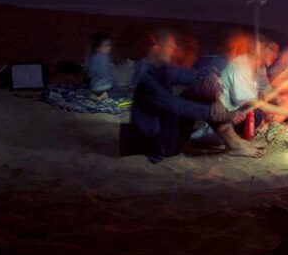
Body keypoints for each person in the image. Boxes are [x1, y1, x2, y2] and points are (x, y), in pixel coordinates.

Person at [131, 29, 257, 161]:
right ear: (156, 48)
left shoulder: (161, 69)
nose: (174, 50)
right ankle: (234, 143)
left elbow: (201, 74)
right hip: (158, 145)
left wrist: (217, 97)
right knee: (196, 95)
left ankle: (235, 142)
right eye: (169, 46)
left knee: (199, 89)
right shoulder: (144, 77)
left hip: (167, 132)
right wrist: (219, 114)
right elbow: (176, 105)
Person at [86, 32, 115, 100]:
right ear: (98, 48)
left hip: (94, 87)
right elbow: (105, 73)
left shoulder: (93, 57)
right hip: (104, 86)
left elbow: (90, 73)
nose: (109, 48)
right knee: (121, 92)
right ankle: (103, 95)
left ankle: (96, 95)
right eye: (106, 46)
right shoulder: (103, 57)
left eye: (109, 45)